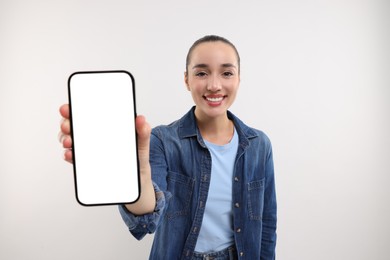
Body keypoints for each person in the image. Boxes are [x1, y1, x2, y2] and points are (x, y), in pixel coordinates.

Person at [59, 35, 277, 260]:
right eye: (201, 73)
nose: (214, 85)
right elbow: (147, 220)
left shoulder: (259, 145)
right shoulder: (163, 140)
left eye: (227, 73)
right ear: (186, 80)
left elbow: (267, 225)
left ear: (239, 79)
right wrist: (137, 174)